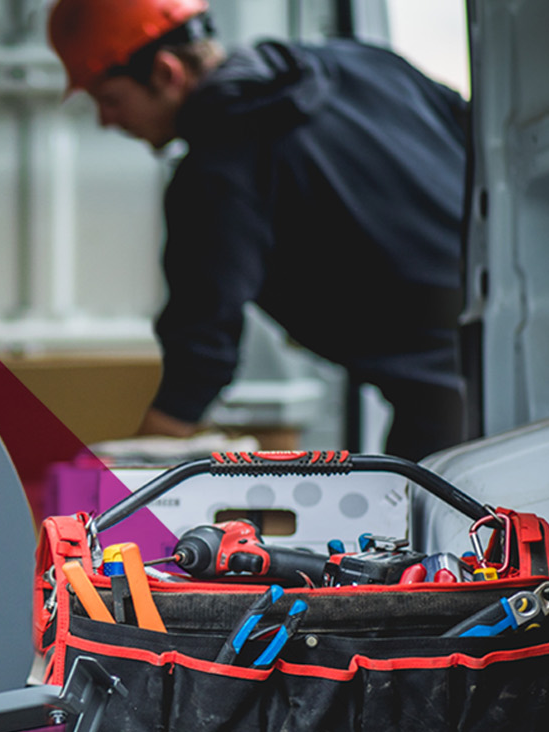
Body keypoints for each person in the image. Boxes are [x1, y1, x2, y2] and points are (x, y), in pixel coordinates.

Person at [47, 0, 469, 461]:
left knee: (439, 525)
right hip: (521, 351)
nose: (107, 120)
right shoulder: (364, 62)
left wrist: (131, 473)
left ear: (167, 72)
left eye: (110, 99)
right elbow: (485, 147)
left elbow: (203, 344)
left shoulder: (217, 172)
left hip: (452, 408)